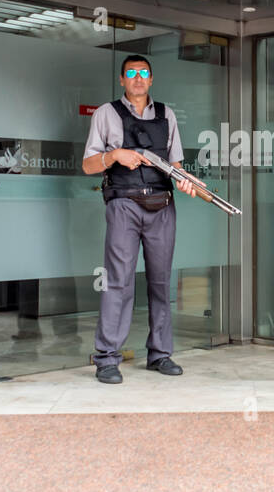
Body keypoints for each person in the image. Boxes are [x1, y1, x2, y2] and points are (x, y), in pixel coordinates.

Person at [81, 55, 198, 383]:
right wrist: (114, 155)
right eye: (131, 73)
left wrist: (187, 181)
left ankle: (160, 354)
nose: (137, 78)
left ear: (151, 79)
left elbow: (176, 165)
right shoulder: (107, 113)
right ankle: (107, 358)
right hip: (124, 206)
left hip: (162, 206)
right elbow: (88, 165)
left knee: (161, 282)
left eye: (143, 73)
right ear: (122, 80)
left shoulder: (166, 114)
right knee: (118, 280)